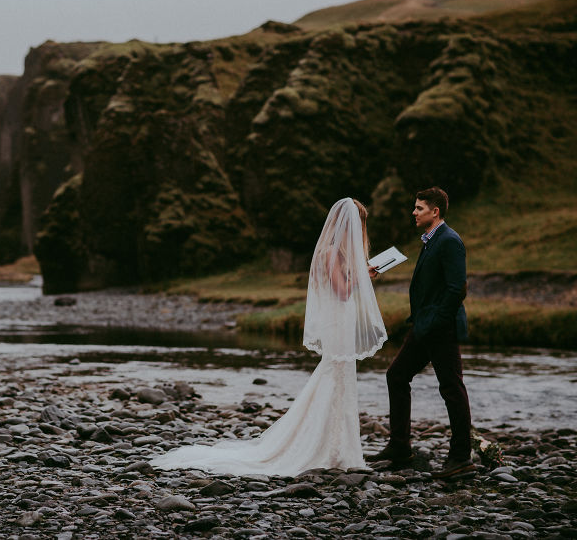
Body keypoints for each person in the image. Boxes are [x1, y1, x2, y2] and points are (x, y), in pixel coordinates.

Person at [149, 198, 387, 476]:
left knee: (339, 376)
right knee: (335, 375)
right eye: (358, 225)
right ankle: (329, 448)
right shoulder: (332, 251)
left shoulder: (338, 252)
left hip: (341, 320)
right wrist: (364, 275)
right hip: (337, 322)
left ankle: (340, 448)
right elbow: (344, 291)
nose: (359, 230)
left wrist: (361, 273)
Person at [367, 186, 474, 479]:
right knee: (397, 376)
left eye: (419, 208)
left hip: (439, 328)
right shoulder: (431, 240)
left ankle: (461, 457)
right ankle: (400, 447)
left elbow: (457, 288)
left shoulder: (449, 241)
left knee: (452, 388)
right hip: (424, 326)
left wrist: (436, 320)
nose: (413, 212)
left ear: (434, 211)